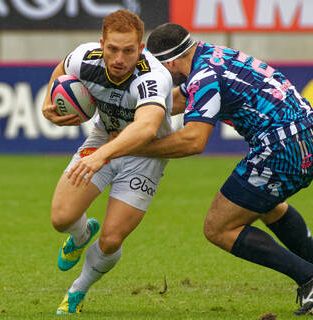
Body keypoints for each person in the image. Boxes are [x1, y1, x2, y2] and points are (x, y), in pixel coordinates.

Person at [130, 23, 313, 315]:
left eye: (157, 69)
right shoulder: (211, 55)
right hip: (305, 133)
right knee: (267, 206)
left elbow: (193, 141)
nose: (157, 77)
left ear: (170, 62)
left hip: (281, 147)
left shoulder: (203, 76)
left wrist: (132, 146)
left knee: (219, 227)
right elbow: (177, 98)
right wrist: (132, 116)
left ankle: (308, 278)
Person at [42, 10, 173, 314]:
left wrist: (103, 155)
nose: (118, 58)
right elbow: (61, 71)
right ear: (102, 43)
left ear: (141, 48)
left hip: (147, 153)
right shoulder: (83, 57)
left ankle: (79, 288)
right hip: (103, 137)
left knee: (112, 238)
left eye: (128, 50)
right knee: (61, 218)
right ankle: (81, 234)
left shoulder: (152, 76)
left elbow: (146, 128)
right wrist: (50, 105)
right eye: (112, 49)